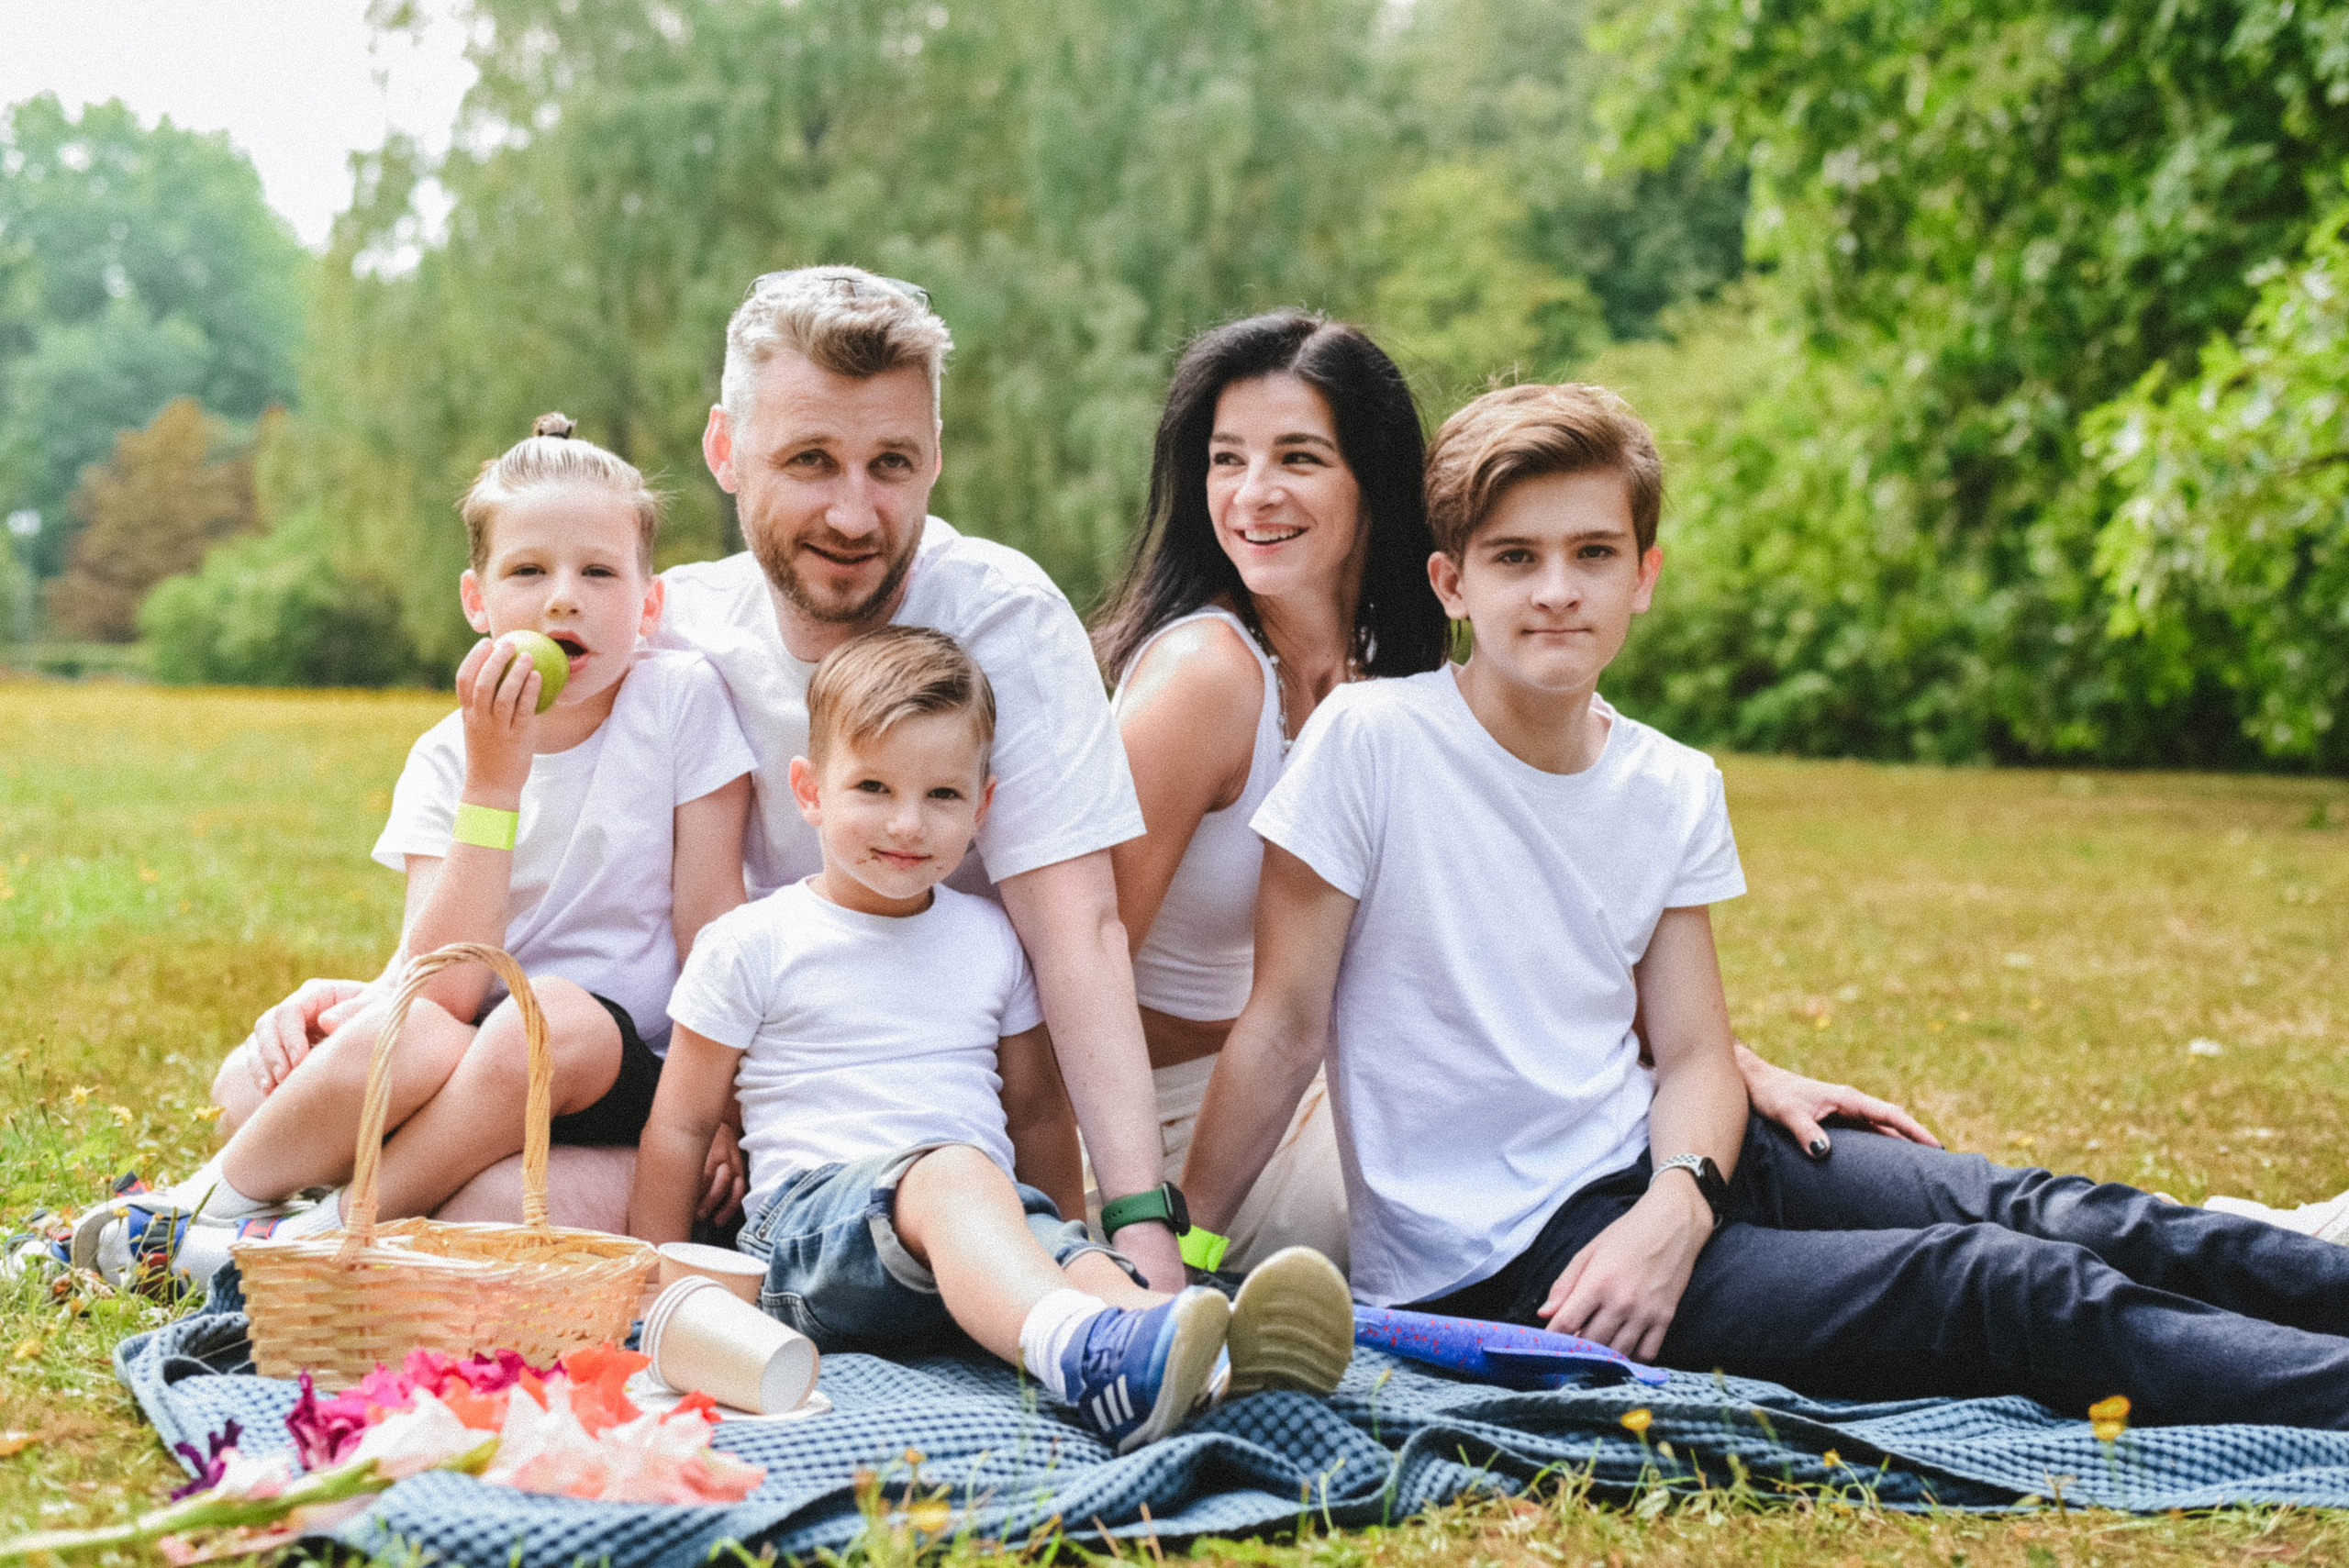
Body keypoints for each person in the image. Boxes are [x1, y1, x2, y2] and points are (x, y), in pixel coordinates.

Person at [1181, 381, 2349, 1428]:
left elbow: (1694, 1054)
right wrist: (1176, 1247)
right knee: (2005, 1282)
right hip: (1514, 1259)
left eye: (1593, 553)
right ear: (1452, 581)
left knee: (2053, 1211)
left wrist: (1680, 1201)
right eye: (1514, 557)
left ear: (1644, 575)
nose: (1555, 591)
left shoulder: (1670, 781)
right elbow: (1282, 1025)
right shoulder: (1373, 742)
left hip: (1670, 1162)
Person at [232, 269, 1184, 1287]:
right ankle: (270, 1231)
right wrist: (383, 991)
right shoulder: (664, 622)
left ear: (936, 459)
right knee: (471, 1205)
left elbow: (1078, 929)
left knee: (500, 1211)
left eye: (891, 464)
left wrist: (1136, 1222)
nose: (855, 513)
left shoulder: (1005, 622)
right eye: (811, 460)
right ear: (724, 451)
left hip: (910, 1118)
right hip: (702, 1116)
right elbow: (510, 785)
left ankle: (306, 1232)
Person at [629, 626, 1353, 1451]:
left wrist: (1066, 1240)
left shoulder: (991, 939)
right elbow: (680, 1123)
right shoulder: (753, 942)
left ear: (984, 807)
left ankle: (1203, 1358)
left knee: (1073, 1256)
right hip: (812, 1244)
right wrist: (656, 1293)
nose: (907, 823)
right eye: (872, 786)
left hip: (973, 1236)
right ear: (809, 790)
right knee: (957, 1173)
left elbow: (1039, 1115)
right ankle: (1083, 1356)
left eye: (942, 795)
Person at [88, 417, 753, 1288]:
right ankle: (193, 1212)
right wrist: (494, 783)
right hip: (473, 1065)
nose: (563, 599)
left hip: (621, 1079)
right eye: (528, 571)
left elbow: (714, 923)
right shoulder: (451, 754)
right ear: (478, 601)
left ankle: (312, 1239)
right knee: (247, 1092)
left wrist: (730, 1111)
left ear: (648, 603)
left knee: (538, 1053)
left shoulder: (679, 702)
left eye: (598, 572)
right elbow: (445, 985)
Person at [1089, 311, 1449, 1274]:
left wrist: (1711, 1062)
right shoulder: (1206, 679)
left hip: (1311, 1085)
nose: (1253, 494)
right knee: (1468, 1203)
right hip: (1152, 1127)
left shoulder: (1386, 679)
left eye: (1298, 457)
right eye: (1225, 459)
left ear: (1372, 478)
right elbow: (1068, 975)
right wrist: (1136, 1225)